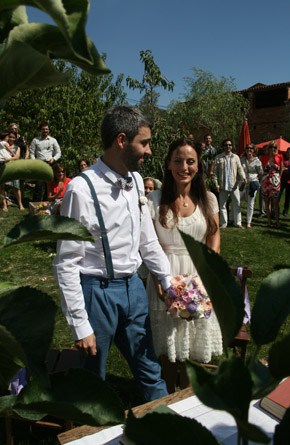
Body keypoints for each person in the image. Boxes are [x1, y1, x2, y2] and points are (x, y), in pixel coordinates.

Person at [53, 105, 171, 402]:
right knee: (92, 381)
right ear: (122, 140)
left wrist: (167, 280)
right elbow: (66, 262)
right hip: (97, 295)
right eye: (144, 142)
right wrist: (80, 325)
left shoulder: (133, 182)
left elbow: (147, 240)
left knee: (150, 370)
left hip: (133, 289)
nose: (149, 150)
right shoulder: (81, 189)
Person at [146, 137, 223, 393]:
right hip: (165, 273)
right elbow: (149, 243)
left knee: (194, 341)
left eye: (190, 161)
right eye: (178, 160)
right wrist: (160, 279)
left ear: (199, 165)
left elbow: (214, 235)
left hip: (199, 274)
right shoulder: (153, 200)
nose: (184, 166)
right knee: (169, 342)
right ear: (168, 164)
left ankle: (189, 396)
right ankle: (167, 393)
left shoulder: (208, 199)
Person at [213, 138, 246, 228]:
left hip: (234, 185)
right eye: (226, 145)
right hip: (222, 185)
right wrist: (216, 184)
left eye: (230, 145)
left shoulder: (236, 157)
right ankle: (223, 223)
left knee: (236, 204)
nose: (228, 146)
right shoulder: (218, 158)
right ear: (223, 147)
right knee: (222, 205)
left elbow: (240, 169)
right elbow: (215, 173)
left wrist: (243, 177)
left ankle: (238, 223)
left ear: (232, 147)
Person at [30, 121, 61, 201]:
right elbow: (32, 153)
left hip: (50, 164)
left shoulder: (53, 140)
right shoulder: (35, 140)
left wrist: (53, 159)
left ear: (49, 130)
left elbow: (59, 152)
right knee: (39, 185)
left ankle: (46, 202)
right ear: (40, 130)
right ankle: (35, 204)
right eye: (43, 129)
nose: (45, 131)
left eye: (47, 129)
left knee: (49, 185)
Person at [260, 141, 284, 228]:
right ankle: (269, 221)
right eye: (271, 147)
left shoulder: (280, 156)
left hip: (275, 181)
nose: (273, 149)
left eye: (274, 147)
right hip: (266, 181)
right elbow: (262, 169)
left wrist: (279, 178)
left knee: (275, 202)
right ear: (268, 148)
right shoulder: (263, 157)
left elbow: (281, 168)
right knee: (267, 202)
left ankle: (277, 222)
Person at [240, 144, 263, 228]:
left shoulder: (257, 161)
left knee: (250, 203)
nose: (249, 149)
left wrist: (255, 178)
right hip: (242, 183)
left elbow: (260, 173)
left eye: (251, 148)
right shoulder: (242, 160)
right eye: (247, 148)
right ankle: (237, 220)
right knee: (237, 200)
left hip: (252, 183)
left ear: (254, 150)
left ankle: (249, 222)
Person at [5, 132, 25, 210]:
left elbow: (16, 157)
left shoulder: (17, 148)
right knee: (3, 187)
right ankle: (5, 204)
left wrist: (7, 159)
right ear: (7, 137)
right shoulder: (3, 146)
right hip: (4, 168)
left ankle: (20, 204)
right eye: (10, 137)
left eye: (13, 137)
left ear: (15, 138)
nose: (11, 139)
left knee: (16, 187)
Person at [280, 147, 290, 217]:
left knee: (287, 197)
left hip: (289, 181)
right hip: (282, 180)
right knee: (278, 194)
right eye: (288, 152)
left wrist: (285, 169)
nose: (289, 153)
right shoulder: (283, 159)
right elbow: (281, 168)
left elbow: (284, 168)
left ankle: (285, 210)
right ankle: (274, 209)